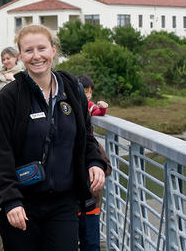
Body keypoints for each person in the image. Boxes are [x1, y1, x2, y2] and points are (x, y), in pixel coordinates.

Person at [0, 24, 106, 251]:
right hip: (21, 203)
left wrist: (94, 162)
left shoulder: (71, 88)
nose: (36, 56)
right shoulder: (10, 97)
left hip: (63, 202)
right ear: (20, 56)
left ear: (53, 50)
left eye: (41, 48)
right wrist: (11, 200)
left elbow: (85, 137)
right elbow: (0, 153)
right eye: (29, 51)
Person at [77, 75, 109, 251]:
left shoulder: (89, 107)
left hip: (90, 202)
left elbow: (97, 111)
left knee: (91, 243)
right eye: (85, 92)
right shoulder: (68, 107)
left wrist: (102, 108)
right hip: (71, 202)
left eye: (90, 92)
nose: (88, 95)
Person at [0, 47, 24, 116]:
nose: (5, 62)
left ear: (16, 58)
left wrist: (13, 79)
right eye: (3, 59)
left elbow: (24, 94)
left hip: (17, 114)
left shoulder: (22, 74)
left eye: (8, 58)